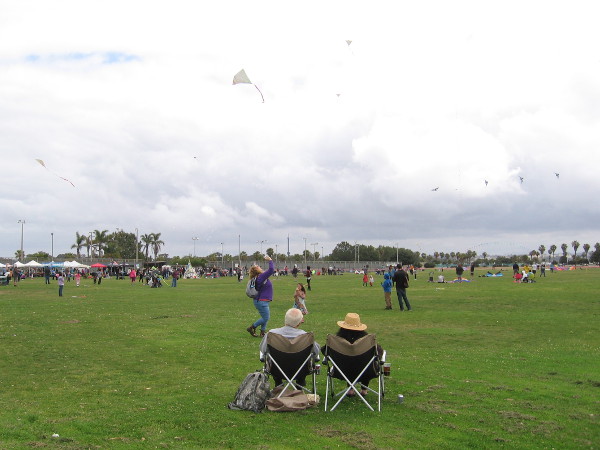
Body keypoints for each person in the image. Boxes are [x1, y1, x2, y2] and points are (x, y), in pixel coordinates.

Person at [323, 313, 384, 397]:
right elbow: (379, 353)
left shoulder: (336, 342)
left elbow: (324, 351)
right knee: (366, 362)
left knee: (349, 363)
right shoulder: (367, 342)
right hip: (367, 372)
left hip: (341, 372)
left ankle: (350, 389)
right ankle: (364, 389)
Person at [259, 308, 320, 387]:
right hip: (301, 370)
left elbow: (263, 350)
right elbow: (316, 352)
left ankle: (278, 382)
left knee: (273, 359)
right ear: (299, 323)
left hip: (276, 370)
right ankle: (300, 384)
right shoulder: (306, 337)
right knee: (304, 360)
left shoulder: (271, 334)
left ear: (285, 319)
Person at [247, 255, 275, 338]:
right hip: (261, 301)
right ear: (256, 270)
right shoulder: (260, 277)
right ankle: (252, 327)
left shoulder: (259, 277)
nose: (260, 267)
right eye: (258, 267)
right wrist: (270, 260)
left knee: (265, 317)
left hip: (262, 301)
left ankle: (262, 332)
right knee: (266, 318)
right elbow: (271, 270)